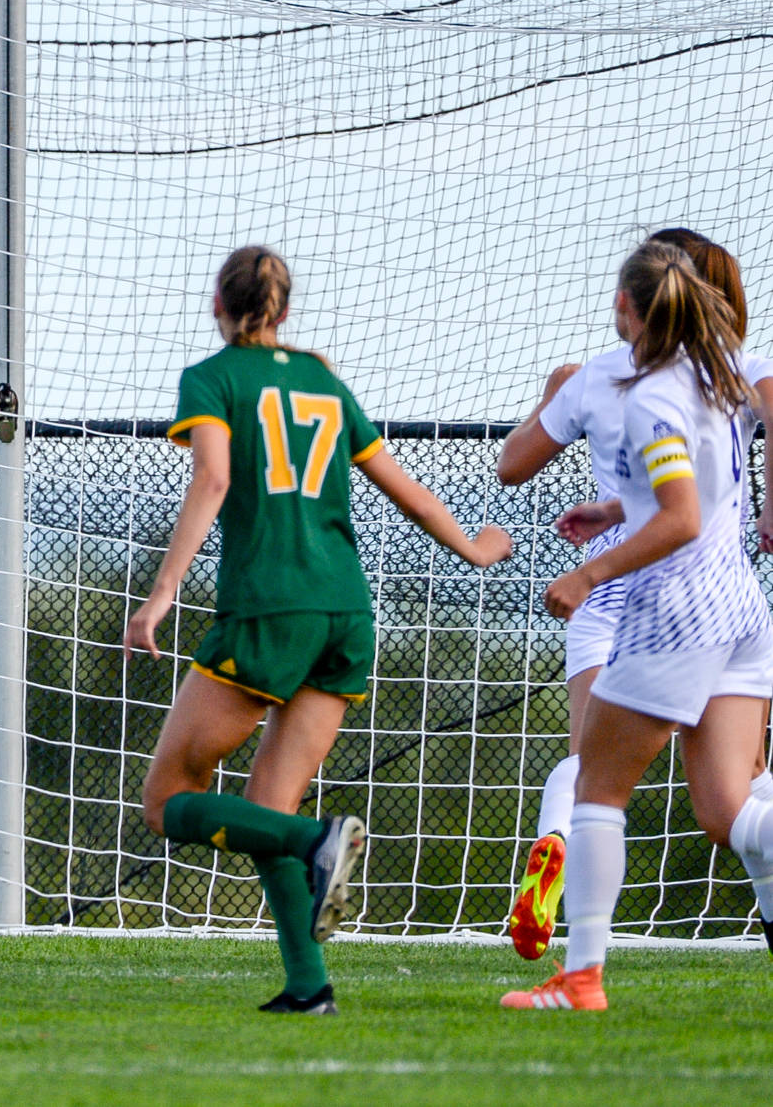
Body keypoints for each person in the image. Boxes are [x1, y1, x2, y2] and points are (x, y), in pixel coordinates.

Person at [124, 246, 510, 1015]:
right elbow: (405, 491)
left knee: (166, 801)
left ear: (217, 304)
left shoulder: (212, 378)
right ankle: (308, 986)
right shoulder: (323, 382)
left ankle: (315, 842)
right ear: (284, 309)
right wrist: (472, 548)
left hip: (269, 610)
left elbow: (213, 477)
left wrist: (160, 593)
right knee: (268, 809)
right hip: (344, 611)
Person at [497, 239, 773, 1011]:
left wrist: (587, 572)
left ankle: (579, 978)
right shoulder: (719, 376)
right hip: (740, 609)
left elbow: (679, 518)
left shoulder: (638, 392)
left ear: (625, 306)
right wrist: (617, 507)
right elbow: (699, 491)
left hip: (670, 611)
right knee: (728, 811)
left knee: (594, 785)